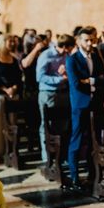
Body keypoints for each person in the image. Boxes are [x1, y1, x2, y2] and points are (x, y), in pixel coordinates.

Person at [66, 28, 104, 186]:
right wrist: (95, 82)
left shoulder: (97, 56)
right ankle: (75, 176)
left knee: (95, 140)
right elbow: (76, 84)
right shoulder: (72, 60)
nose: (90, 43)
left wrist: (89, 81)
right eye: (86, 40)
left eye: (92, 40)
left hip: (96, 104)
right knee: (76, 140)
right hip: (80, 105)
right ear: (78, 41)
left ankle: (93, 175)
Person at [35, 34, 74, 162]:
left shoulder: (66, 56)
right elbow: (40, 77)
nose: (69, 52)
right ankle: (47, 158)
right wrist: (59, 79)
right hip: (48, 93)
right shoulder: (46, 55)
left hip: (63, 93)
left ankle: (61, 155)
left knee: (63, 124)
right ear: (64, 47)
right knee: (47, 124)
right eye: (68, 49)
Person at [0, 34, 23, 162]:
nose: (13, 43)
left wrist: (14, 87)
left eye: (14, 41)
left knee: (11, 125)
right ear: (3, 42)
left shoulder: (13, 59)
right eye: (10, 41)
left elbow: (19, 77)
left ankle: (10, 152)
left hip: (11, 95)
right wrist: (5, 89)